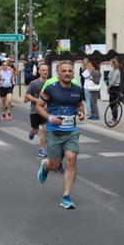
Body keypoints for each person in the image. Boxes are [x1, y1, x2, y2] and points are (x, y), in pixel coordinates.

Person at [36, 60, 84, 209]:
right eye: (64, 71)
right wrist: (49, 118)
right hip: (54, 132)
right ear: (58, 72)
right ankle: (46, 166)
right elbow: (39, 106)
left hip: (71, 131)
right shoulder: (51, 88)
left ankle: (66, 196)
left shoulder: (77, 89)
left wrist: (81, 113)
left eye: (70, 71)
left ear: (73, 73)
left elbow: (79, 105)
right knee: (55, 164)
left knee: (71, 160)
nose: (67, 73)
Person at [25, 63, 49, 157]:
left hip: (46, 111)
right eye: (43, 70)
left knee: (44, 129)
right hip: (34, 110)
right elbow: (27, 95)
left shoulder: (50, 83)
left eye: (47, 70)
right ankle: (32, 132)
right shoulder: (34, 83)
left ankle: (42, 149)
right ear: (39, 71)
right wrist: (38, 101)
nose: (45, 72)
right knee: (35, 130)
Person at [107, 58, 121, 123]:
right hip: (112, 87)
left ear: (113, 63)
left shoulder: (117, 71)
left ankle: (115, 118)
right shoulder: (112, 70)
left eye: (110, 62)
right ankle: (114, 117)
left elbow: (113, 81)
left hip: (115, 87)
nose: (109, 63)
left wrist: (108, 87)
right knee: (111, 103)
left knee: (114, 104)